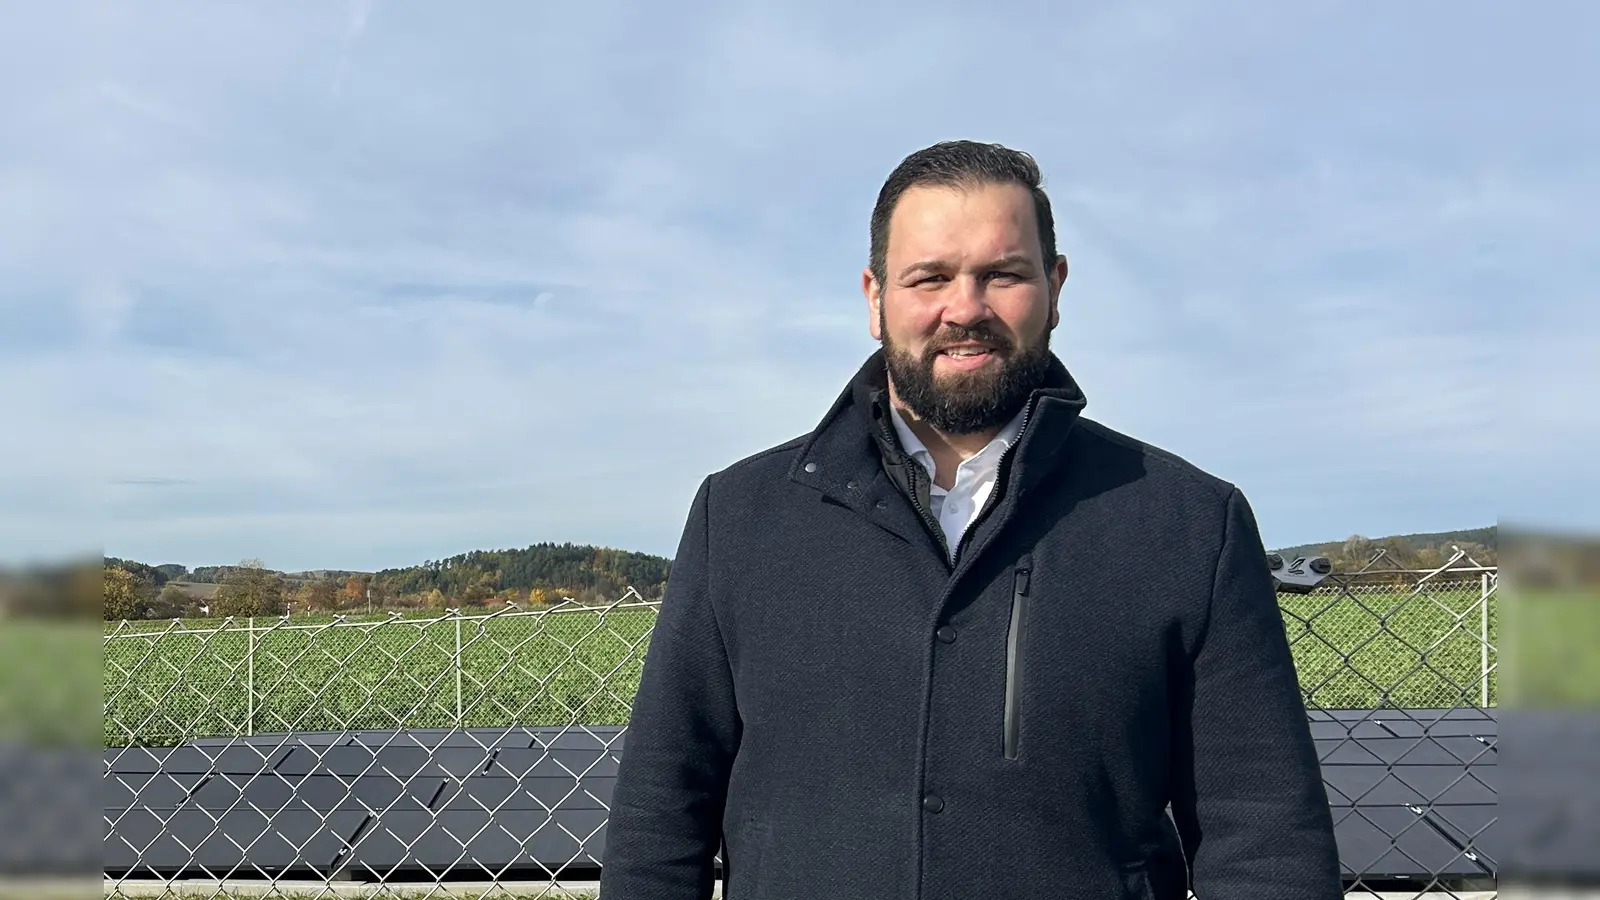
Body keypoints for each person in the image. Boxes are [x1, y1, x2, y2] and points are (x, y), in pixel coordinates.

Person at [597, 140, 1342, 900]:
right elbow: (661, 819)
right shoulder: (743, 515)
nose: (966, 309)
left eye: (1003, 275)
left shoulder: (1188, 524)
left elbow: (1265, 837)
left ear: (1054, 286)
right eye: (930, 277)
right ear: (873, 296)